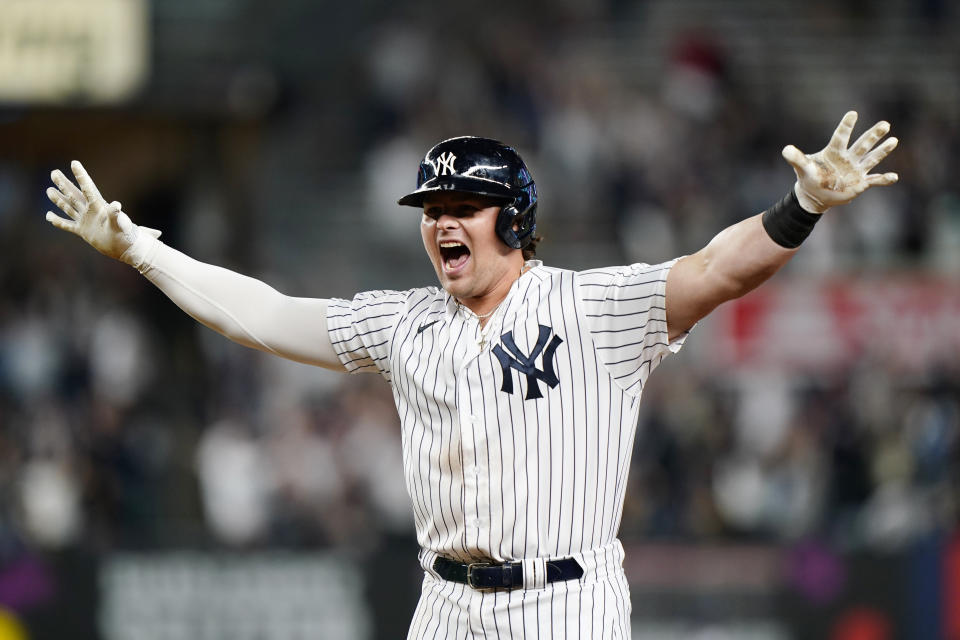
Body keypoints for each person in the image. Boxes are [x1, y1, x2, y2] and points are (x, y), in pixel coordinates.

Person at [45, 111, 898, 638]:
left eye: (462, 210)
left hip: (566, 605)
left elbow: (718, 270)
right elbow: (262, 315)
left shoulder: (593, 307)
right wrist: (139, 248)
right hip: (446, 603)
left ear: (515, 219)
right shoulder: (405, 321)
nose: (441, 224)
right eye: (432, 212)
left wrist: (803, 208)